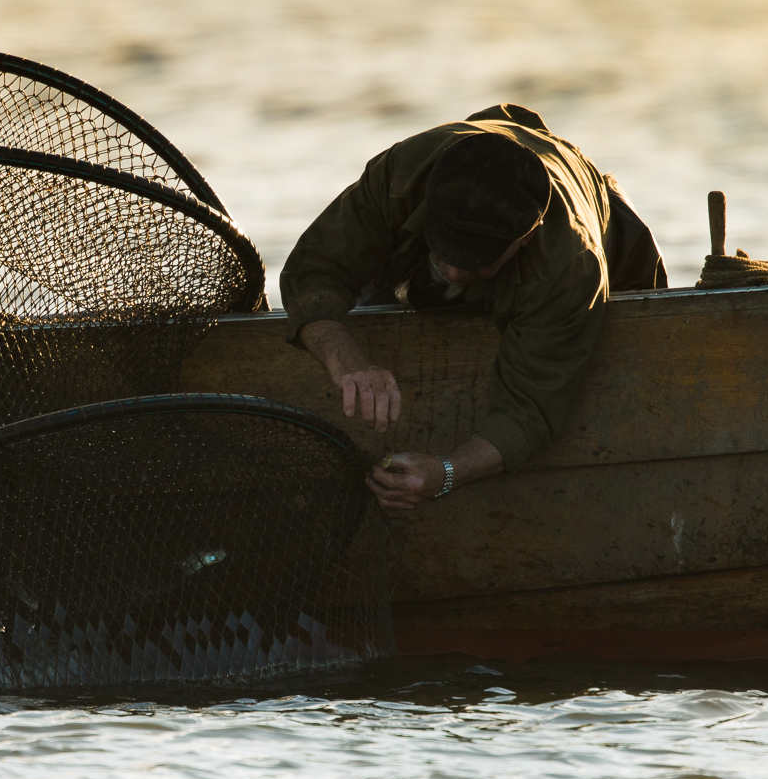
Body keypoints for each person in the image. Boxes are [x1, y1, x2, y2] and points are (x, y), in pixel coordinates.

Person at [279, 104, 666, 511]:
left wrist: (447, 471)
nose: (456, 272)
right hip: (489, 142)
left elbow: (529, 409)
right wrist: (348, 362)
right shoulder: (403, 173)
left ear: (525, 239)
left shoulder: (571, 266)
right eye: (444, 251)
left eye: (478, 261)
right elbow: (313, 270)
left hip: (598, 217)